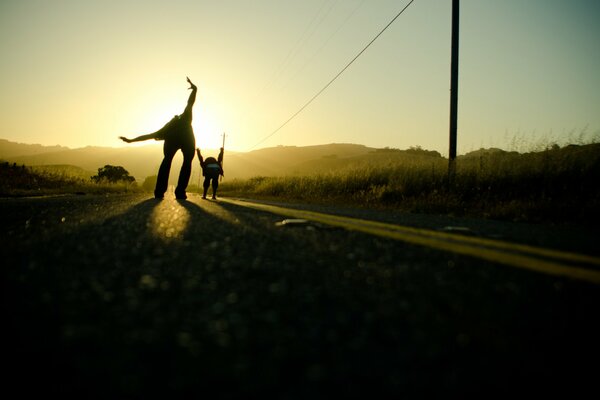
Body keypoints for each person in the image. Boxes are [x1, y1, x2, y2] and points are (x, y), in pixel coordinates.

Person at [119, 77, 197, 200]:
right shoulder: (185, 118)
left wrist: (131, 140)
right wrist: (194, 89)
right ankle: (180, 191)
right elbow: (190, 102)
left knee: (167, 160)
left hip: (173, 138)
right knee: (187, 162)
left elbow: (147, 136)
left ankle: (159, 191)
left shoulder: (167, 129)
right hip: (187, 139)